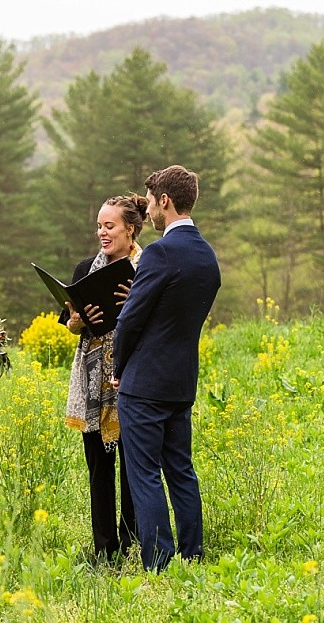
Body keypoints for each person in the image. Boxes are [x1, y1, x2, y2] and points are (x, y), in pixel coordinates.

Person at [111, 165, 221, 571]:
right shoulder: (207, 256)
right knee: (181, 471)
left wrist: (120, 368)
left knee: (143, 474)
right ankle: (192, 554)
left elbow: (129, 321)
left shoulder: (160, 252)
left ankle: (158, 560)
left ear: (165, 201)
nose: (150, 214)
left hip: (143, 383)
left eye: (153, 204)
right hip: (181, 381)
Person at [59, 193, 147, 562]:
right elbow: (68, 322)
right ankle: (104, 548)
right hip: (91, 380)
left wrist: (133, 306)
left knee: (132, 466)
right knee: (98, 466)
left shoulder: (147, 267)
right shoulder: (85, 269)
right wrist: (76, 321)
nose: (101, 233)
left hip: (130, 376)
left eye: (109, 226)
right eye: (99, 226)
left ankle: (131, 542)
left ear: (130, 229)